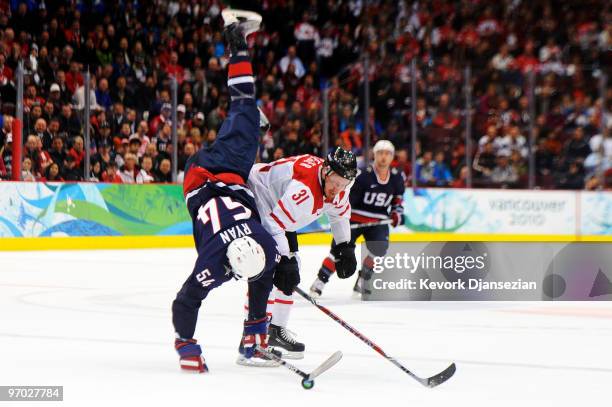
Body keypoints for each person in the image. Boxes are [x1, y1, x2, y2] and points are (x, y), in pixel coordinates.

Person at [172, 9, 281, 373]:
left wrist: (188, 347)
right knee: (247, 110)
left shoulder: (217, 262)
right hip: (224, 179)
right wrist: (256, 329)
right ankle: (235, 36)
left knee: (245, 105)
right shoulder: (255, 248)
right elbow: (185, 302)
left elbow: (186, 303)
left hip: (211, 175)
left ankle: (236, 41)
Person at [245, 147, 358, 359]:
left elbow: (339, 215)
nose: (337, 188)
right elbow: (273, 225)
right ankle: (252, 337)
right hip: (256, 193)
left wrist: (345, 246)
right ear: (325, 171)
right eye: (334, 181)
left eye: (343, 184)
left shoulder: (341, 187)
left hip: (277, 205)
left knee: (290, 266)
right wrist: (284, 260)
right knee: (267, 268)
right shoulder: (304, 189)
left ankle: (275, 331)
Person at [311, 140, 405, 297]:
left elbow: (398, 200)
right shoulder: (362, 175)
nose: (383, 157)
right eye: (380, 153)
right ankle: (320, 281)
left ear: (392, 157)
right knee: (338, 251)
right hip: (353, 218)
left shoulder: (397, 177)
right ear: (374, 155)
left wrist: (397, 213)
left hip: (377, 221)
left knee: (379, 249)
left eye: (387, 154)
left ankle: (363, 279)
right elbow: (347, 200)